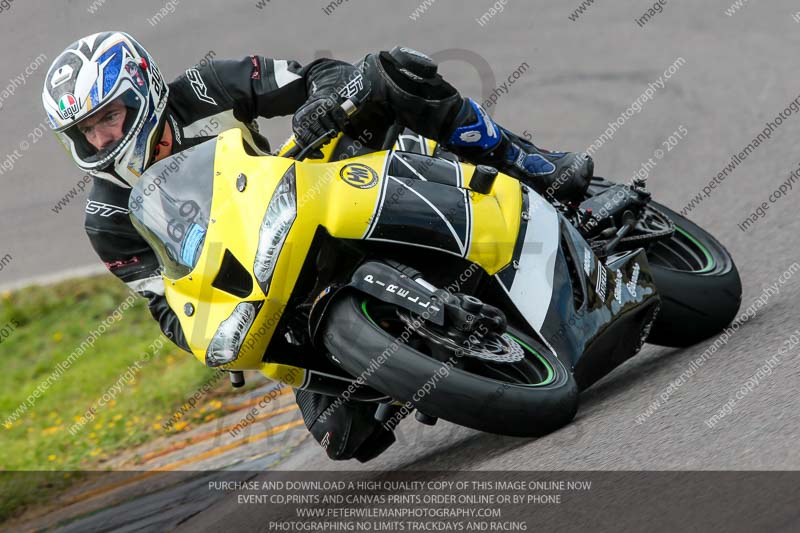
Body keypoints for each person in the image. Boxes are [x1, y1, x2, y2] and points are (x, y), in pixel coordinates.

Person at [42, 32, 593, 462]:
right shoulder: (106, 218)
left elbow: (320, 76)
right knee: (343, 435)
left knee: (392, 71)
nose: (101, 140)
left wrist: (324, 102)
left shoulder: (206, 88)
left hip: (303, 186)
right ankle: (416, 352)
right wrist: (205, 332)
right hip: (258, 278)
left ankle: (532, 165)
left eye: (108, 118)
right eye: (85, 132)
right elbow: (165, 306)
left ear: (142, 89)